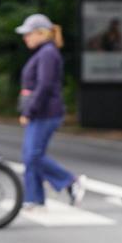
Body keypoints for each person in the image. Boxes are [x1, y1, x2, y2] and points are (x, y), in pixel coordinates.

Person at [15, 13, 85, 210]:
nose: (25, 38)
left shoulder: (47, 53)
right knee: (31, 155)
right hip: (42, 112)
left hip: (45, 113)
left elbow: (44, 86)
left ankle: (70, 182)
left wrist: (29, 110)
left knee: (33, 156)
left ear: (41, 33)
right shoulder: (44, 52)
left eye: (28, 34)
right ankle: (34, 198)